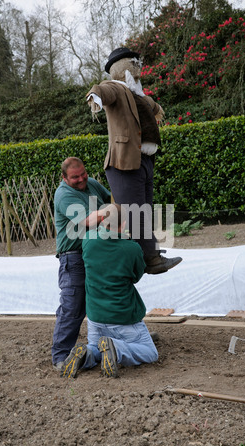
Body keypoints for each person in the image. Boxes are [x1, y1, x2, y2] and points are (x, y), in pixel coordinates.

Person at [86, 47, 182, 275]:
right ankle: (151, 260)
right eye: (133, 63)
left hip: (144, 161)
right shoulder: (115, 88)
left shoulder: (137, 94)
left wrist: (156, 108)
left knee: (143, 210)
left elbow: (151, 107)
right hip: (124, 162)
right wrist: (95, 97)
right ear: (121, 68)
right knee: (135, 212)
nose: (137, 67)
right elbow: (101, 90)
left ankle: (149, 252)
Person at [60, 203, 158, 379]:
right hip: (123, 316)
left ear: (103, 220)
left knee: (96, 348)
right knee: (150, 353)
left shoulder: (88, 240)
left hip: (95, 317)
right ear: (125, 223)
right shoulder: (132, 248)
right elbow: (136, 276)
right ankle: (116, 347)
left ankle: (86, 355)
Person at [52, 157, 111, 371]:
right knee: (73, 305)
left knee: (106, 296)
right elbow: (88, 221)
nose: (81, 179)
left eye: (83, 174)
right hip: (73, 255)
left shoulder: (92, 183)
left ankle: (124, 341)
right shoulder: (64, 195)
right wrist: (112, 212)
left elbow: (111, 199)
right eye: (75, 177)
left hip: (96, 249)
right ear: (64, 178)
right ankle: (60, 356)